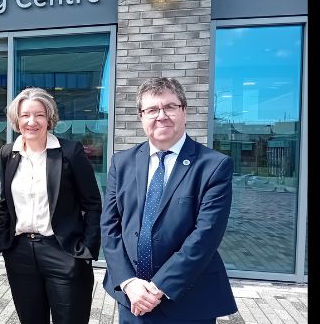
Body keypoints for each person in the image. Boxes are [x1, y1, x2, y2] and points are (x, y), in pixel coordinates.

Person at [100, 77, 238, 323]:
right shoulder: (121, 163)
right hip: (132, 299)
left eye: (170, 107)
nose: (161, 115)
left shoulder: (213, 166)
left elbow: (205, 236)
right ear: (141, 117)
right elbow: (110, 227)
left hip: (188, 300)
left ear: (184, 112)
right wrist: (129, 283)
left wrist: (157, 288)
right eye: (152, 109)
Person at [0, 88, 102, 324]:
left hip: (63, 252)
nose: (32, 122)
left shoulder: (70, 151)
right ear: (16, 120)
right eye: (25, 115)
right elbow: (4, 203)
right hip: (20, 254)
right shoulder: (8, 153)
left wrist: (86, 250)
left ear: (49, 118)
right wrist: (6, 242)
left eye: (39, 115)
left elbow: (92, 204)